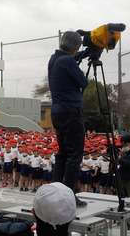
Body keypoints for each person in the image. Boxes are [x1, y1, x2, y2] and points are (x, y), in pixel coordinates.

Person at [48, 31, 88, 207]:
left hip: (58, 112)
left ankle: (56, 191)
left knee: (63, 153)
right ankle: (70, 194)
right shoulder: (68, 61)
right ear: (75, 48)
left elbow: (69, 58)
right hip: (71, 111)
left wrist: (83, 54)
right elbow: (83, 82)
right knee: (75, 154)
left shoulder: (55, 58)